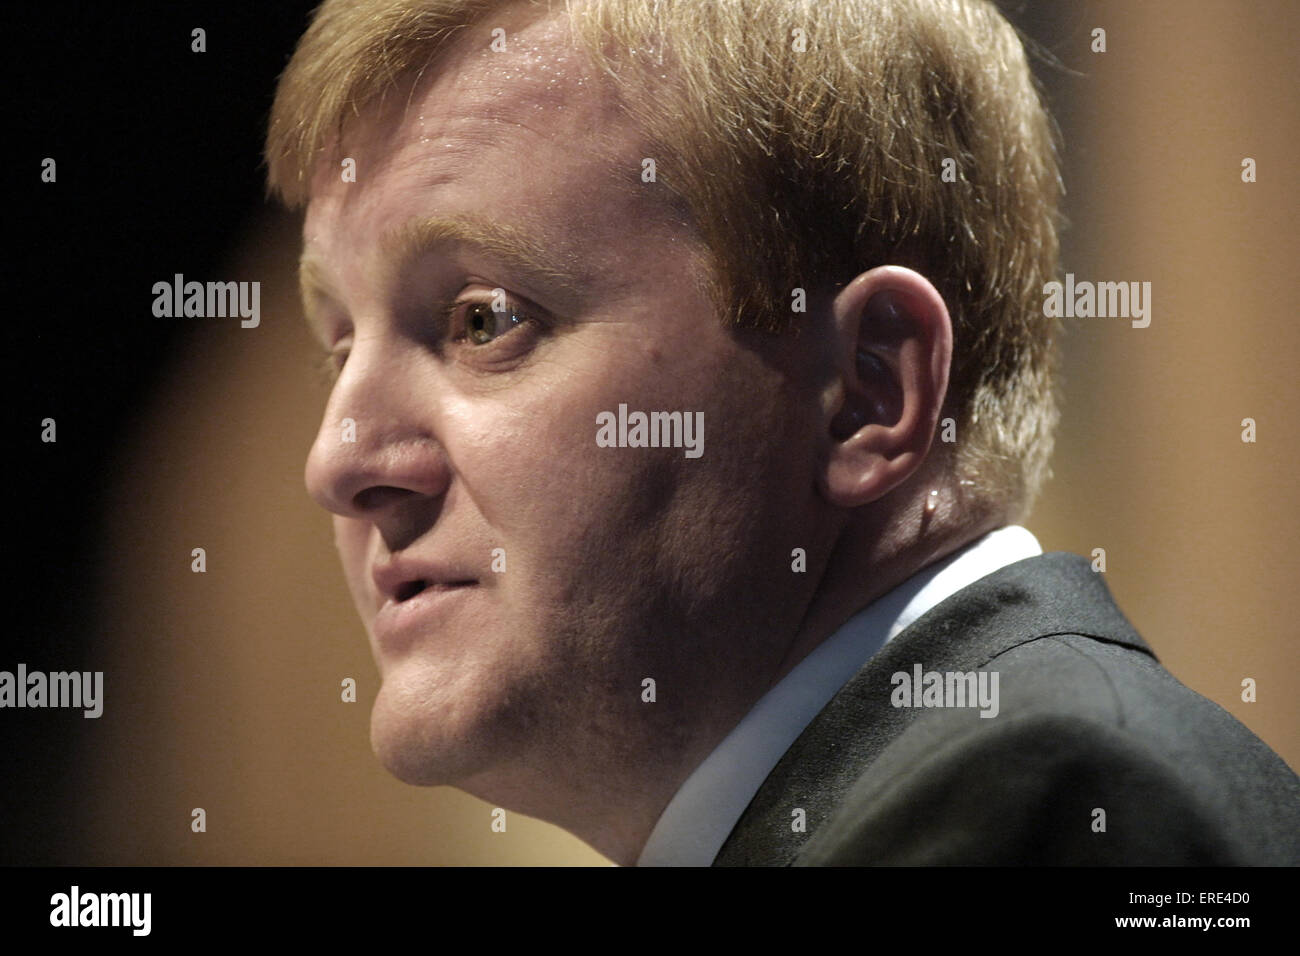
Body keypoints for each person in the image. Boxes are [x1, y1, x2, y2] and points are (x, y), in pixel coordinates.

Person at [264, 0, 1300, 865]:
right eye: (337, 346)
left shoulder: (1048, 811)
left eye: (483, 319)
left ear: (864, 390)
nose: (338, 460)